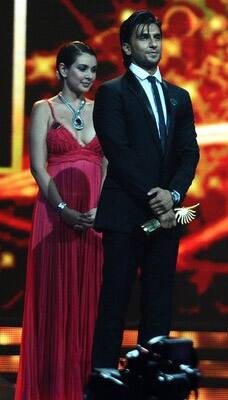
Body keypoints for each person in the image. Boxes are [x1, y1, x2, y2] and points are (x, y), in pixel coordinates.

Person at [91, 9, 199, 370]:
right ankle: (104, 380)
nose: (153, 43)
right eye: (143, 37)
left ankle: (150, 384)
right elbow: (118, 152)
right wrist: (155, 196)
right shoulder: (112, 93)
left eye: (157, 37)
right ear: (126, 47)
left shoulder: (179, 96)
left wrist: (175, 196)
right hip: (125, 215)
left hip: (166, 219)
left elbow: (189, 152)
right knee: (115, 303)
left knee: (158, 304)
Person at [16, 41, 105, 399]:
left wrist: (104, 208)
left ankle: (83, 388)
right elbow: (38, 167)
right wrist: (62, 209)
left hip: (94, 217)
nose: (89, 76)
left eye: (93, 70)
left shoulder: (103, 110)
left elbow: (110, 164)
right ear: (62, 70)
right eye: (82, 68)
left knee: (92, 303)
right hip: (54, 217)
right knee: (55, 304)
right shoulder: (45, 109)